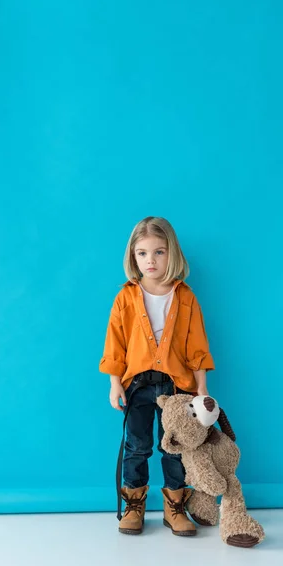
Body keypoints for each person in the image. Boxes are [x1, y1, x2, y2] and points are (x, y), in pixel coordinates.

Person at [99, 216, 215, 536]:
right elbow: (115, 342)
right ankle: (134, 505)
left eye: (159, 252)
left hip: (177, 386)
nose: (151, 260)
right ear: (133, 257)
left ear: (172, 253)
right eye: (143, 253)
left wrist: (201, 387)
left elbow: (197, 345)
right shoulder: (126, 297)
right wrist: (114, 384)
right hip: (136, 385)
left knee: (174, 446)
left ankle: (174, 507)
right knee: (137, 446)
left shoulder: (185, 296)